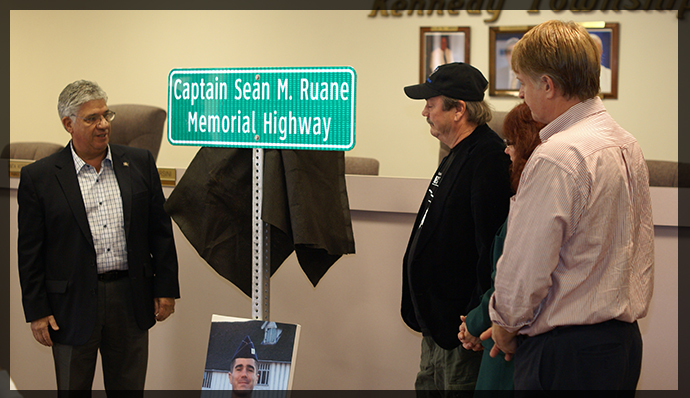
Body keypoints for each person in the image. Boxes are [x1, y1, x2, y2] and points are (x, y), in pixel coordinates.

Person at [487, 20, 654, 391]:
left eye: (522, 82)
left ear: (547, 84)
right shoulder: (627, 144)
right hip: (621, 345)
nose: (519, 94)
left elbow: (527, 266)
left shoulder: (558, 156)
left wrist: (504, 326)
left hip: (565, 354)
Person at [17, 80, 180, 393]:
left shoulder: (140, 162)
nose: (103, 124)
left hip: (130, 298)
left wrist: (166, 288)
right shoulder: (39, 177)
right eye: (92, 118)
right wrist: (37, 312)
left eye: (107, 115)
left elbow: (160, 231)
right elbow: (30, 252)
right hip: (70, 306)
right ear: (69, 124)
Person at [401, 62, 512, 395]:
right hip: (438, 327)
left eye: (431, 104)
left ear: (459, 109)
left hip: (462, 333)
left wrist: (476, 317)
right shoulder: (456, 152)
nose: (424, 112)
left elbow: (490, 248)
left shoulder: (488, 157)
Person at [457, 102, 544, 391]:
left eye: (512, 143)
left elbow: (508, 278)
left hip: (509, 344)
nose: (506, 150)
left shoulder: (531, 203)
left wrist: (474, 323)